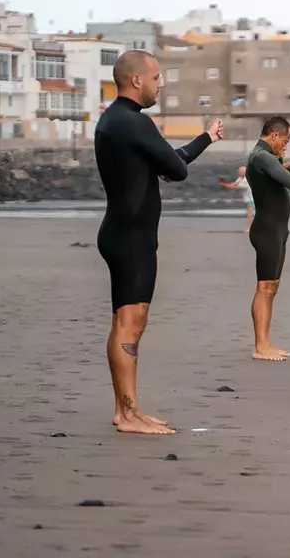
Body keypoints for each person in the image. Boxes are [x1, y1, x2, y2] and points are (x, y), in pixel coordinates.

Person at [94, 50, 224, 435]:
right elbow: (177, 169)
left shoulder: (114, 121)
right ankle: (129, 413)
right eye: (155, 77)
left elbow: (172, 160)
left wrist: (206, 138)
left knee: (124, 324)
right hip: (132, 237)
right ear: (136, 80)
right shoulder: (135, 123)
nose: (160, 83)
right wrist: (171, 166)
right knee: (131, 325)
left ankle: (126, 410)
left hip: (120, 231)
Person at [245, 116, 290, 361]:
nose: (286, 146)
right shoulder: (262, 156)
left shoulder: (266, 157)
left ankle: (266, 342)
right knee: (264, 287)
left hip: (277, 229)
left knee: (272, 287)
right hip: (267, 230)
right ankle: (260, 346)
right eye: (285, 141)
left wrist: (282, 163)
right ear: (275, 135)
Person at [219, 166, 255, 233]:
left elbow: (235, 188)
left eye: (240, 171)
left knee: (250, 213)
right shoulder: (241, 178)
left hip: (253, 199)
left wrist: (224, 185)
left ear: (245, 172)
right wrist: (225, 183)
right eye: (238, 171)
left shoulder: (246, 180)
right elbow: (233, 184)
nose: (238, 173)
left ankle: (250, 228)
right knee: (253, 213)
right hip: (249, 199)